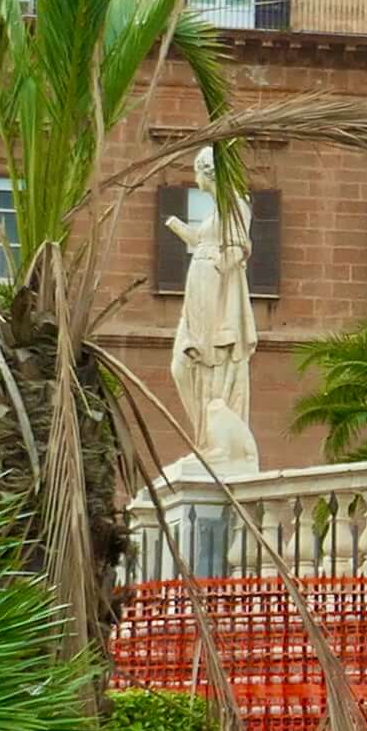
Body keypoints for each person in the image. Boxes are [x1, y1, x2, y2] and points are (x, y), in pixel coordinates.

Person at [166, 146, 263, 481]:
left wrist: (217, 269)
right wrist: (180, 228)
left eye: (196, 171)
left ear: (206, 172)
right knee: (181, 366)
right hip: (200, 285)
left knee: (208, 361)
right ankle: (204, 436)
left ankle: (217, 440)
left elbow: (237, 248)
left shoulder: (236, 203)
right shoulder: (217, 211)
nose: (194, 179)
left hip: (215, 291)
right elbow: (209, 241)